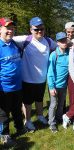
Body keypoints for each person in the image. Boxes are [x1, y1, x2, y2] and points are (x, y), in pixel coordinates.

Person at [13, 17, 57, 132]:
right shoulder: (24, 40)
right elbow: (5, 39)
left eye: (41, 29)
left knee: (39, 99)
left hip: (42, 79)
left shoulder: (48, 41)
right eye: (36, 29)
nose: (39, 32)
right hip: (27, 78)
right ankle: (27, 121)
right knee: (27, 102)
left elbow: (60, 46)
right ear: (31, 30)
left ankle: (40, 115)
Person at [0, 18, 25, 146]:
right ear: (0, 30)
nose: (10, 31)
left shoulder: (15, 44)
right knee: (4, 114)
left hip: (17, 86)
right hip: (4, 88)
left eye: (12, 28)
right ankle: (5, 136)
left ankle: (20, 128)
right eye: (7, 28)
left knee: (16, 109)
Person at [47, 32, 69, 133]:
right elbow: (50, 72)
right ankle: (52, 123)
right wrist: (51, 87)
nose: (64, 42)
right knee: (53, 104)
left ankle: (59, 117)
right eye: (61, 41)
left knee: (61, 104)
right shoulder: (54, 55)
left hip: (64, 86)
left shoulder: (69, 52)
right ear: (57, 43)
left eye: (65, 40)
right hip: (55, 85)